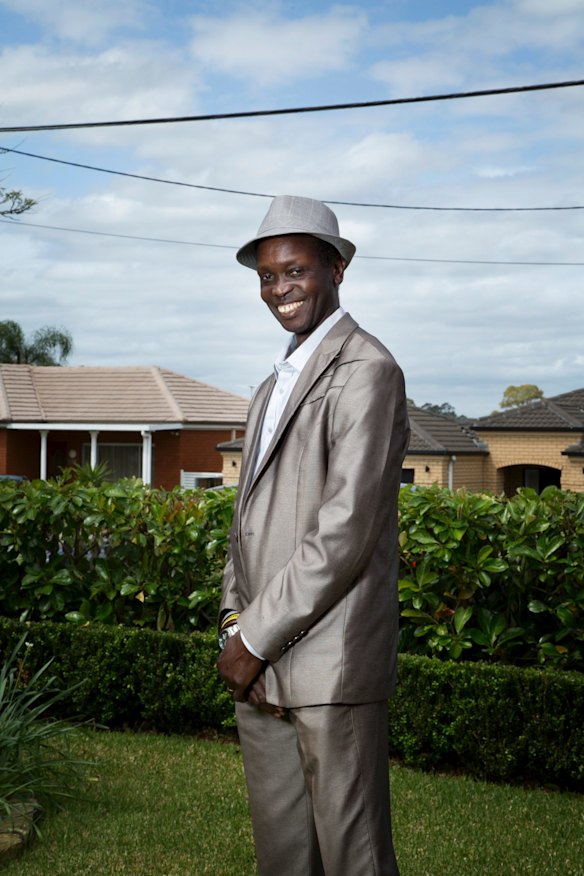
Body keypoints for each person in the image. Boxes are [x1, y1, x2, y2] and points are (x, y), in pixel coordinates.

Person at [217, 195, 409, 876]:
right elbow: (247, 524)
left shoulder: (368, 372)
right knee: (284, 860)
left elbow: (344, 532)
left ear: (336, 269)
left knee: (353, 860)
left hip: (329, 668)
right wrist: (233, 625)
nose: (279, 291)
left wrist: (253, 638)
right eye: (267, 277)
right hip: (260, 666)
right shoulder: (272, 385)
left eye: (295, 271)